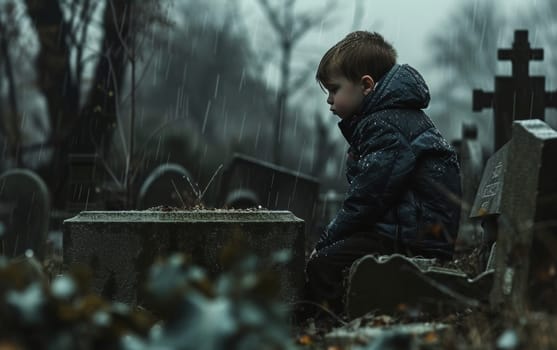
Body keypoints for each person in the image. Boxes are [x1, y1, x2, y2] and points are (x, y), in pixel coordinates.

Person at [305, 31, 462, 314]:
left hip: (413, 238)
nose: (329, 100)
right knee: (336, 253)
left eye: (334, 89)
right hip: (412, 230)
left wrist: (327, 241)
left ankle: (326, 319)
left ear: (366, 85)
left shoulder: (384, 126)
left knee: (322, 264)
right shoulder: (389, 117)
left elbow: (368, 198)